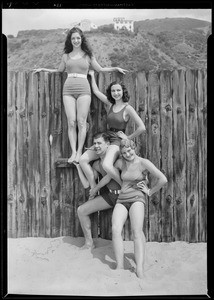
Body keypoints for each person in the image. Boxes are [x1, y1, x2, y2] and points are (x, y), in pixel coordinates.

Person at [33, 27, 128, 163]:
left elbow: (100, 69)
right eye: (73, 38)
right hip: (68, 90)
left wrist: (116, 68)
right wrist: (43, 69)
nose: (76, 40)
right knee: (71, 122)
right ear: (70, 40)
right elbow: (58, 70)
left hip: (84, 89)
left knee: (81, 122)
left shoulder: (88, 55)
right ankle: (73, 152)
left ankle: (79, 152)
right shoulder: (66, 56)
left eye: (78, 38)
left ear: (81, 39)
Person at [79, 70, 146, 192]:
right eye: (113, 91)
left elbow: (142, 127)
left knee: (106, 165)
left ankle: (123, 186)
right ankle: (93, 186)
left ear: (123, 92)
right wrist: (92, 75)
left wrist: (127, 138)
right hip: (106, 138)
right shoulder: (110, 105)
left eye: (118, 90)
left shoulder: (127, 108)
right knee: (83, 160)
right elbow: (96, 92)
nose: (116, 93)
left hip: (117, 142)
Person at [112, 139, 168, 279]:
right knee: (115, 229)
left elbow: (163, 179)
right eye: (124, 152)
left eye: (129, 150)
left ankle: (140, 269)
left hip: (137, 199)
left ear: (134, 148)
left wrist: (150, 191)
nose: (127, 154)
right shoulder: (120, 163)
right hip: (122, 199)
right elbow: (107, 165)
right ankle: (119, 265)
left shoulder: (143, 162)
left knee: (136, 232)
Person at [74, 132, 121, 250]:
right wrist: (79, 167)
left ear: (108, 144)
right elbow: (87, 183)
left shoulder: (115, 158)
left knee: (116, 228)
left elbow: (108, 176)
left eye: (99, 143)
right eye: (94, 143)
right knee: (81, 210)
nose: (96, 146)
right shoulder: (96, 164)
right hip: (110, 196)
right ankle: (89, 243)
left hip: (124, 196)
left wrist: (95, 189)